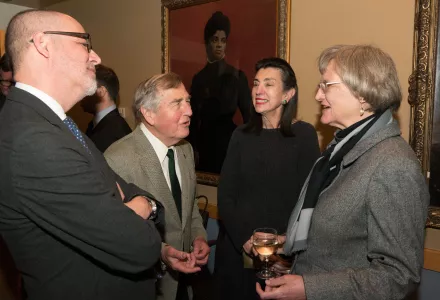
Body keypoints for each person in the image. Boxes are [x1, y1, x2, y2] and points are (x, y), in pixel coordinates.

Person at [0, 9, 166, 300]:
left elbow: (121, 188)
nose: (96, 57)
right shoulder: (34, 139)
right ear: (43, 44)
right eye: (85, 43)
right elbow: (140, 246)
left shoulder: (55, 124)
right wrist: (141, 208)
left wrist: (142, 205)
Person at [256, 45, 430, 300]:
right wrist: (289, 245)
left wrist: (309, 288)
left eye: (326, 85)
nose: (317, 95)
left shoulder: (393, 165)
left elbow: (398, 276)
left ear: (362, 93)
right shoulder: (341, 150)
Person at [215, 57, 320, 300]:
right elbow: (226, 196)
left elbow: (309, 200)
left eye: (269, 84)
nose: (258, 90)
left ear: (288, 94)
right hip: (236, 250)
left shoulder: (304, 135)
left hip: (282, 257)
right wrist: (246, 242)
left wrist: (284, 247)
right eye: (256, 83)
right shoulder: (240, 135)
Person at [104, 73, 210, 300]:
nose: (189, 111)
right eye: (177, 103)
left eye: (188, 101)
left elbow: (189, 208)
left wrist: (198, 237)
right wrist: (162, 252)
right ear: (148, 114)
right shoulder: (118, 158)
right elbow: (117, 234)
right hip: (147, 286)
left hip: (185, 284)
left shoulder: (185, 150)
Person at [188, 11, 252, 174]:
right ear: (207, 42)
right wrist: (193, 148)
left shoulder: (237, 76)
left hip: (229, 144)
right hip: (204, 145)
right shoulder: (199, 79)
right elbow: (193, 118)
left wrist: (247, 148)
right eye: (215, 40)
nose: (219, 45)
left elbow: (249, 116)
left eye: (223, 41)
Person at [81, 63, 132, 152]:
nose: (81, 95)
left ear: (101, 92)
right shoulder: (94, 125)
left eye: (87, 89)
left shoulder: (117, 133)